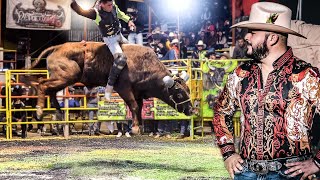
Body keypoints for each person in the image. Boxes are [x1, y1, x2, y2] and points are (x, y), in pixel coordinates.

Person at [212, 2, 320, 180]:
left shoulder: (306, 75)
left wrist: (316, 163)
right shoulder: (241, 74)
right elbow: (221, 111)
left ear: (272, 39)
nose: (247, 37)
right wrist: (228, 153)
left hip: (291, 174)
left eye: (253, 33)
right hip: (246, 172)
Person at [71, 0, 135, 101]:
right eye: (108, 5)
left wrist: (129, 21)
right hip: (110, 40)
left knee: (133, 53)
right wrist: (73, 3)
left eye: (111, 4)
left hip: (119, 35)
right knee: (121, 59)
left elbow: (120, 14)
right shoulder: (95, 13)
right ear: (102, 5)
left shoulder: (112, 4)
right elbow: (81, 11)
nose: (111, 6)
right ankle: (109, 87)